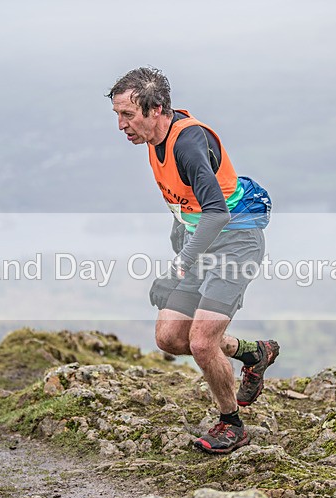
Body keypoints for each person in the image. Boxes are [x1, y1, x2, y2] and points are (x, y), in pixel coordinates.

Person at [107, 67, 280, 454]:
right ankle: (254, 353)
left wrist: (179, 268)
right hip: (201, 243)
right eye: (117, 115)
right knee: (170, 337)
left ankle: (231, 424)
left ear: (156, 109)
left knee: (202, 342)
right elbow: (184, 204)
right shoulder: (154, 139)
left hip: (236, 243)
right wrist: (180, 245)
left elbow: (216, 212)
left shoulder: (188, 144)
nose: (121, 125)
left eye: (127, 115)